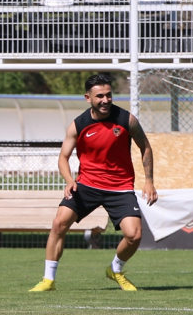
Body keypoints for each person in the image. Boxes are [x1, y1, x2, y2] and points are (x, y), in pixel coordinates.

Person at [29, 73, 158, 292]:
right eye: (100, 96)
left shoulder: (127, 120)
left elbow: (145, 146)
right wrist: (69, 180)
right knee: (59, 223)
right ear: (88, 97)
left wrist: (149, 181)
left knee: (134, 235)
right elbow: (63, 157)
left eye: (109, 95)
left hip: (120, 187)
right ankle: (48, 280)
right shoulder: (78, 125)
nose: (106, 100)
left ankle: (115, 269)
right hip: (86, 185)